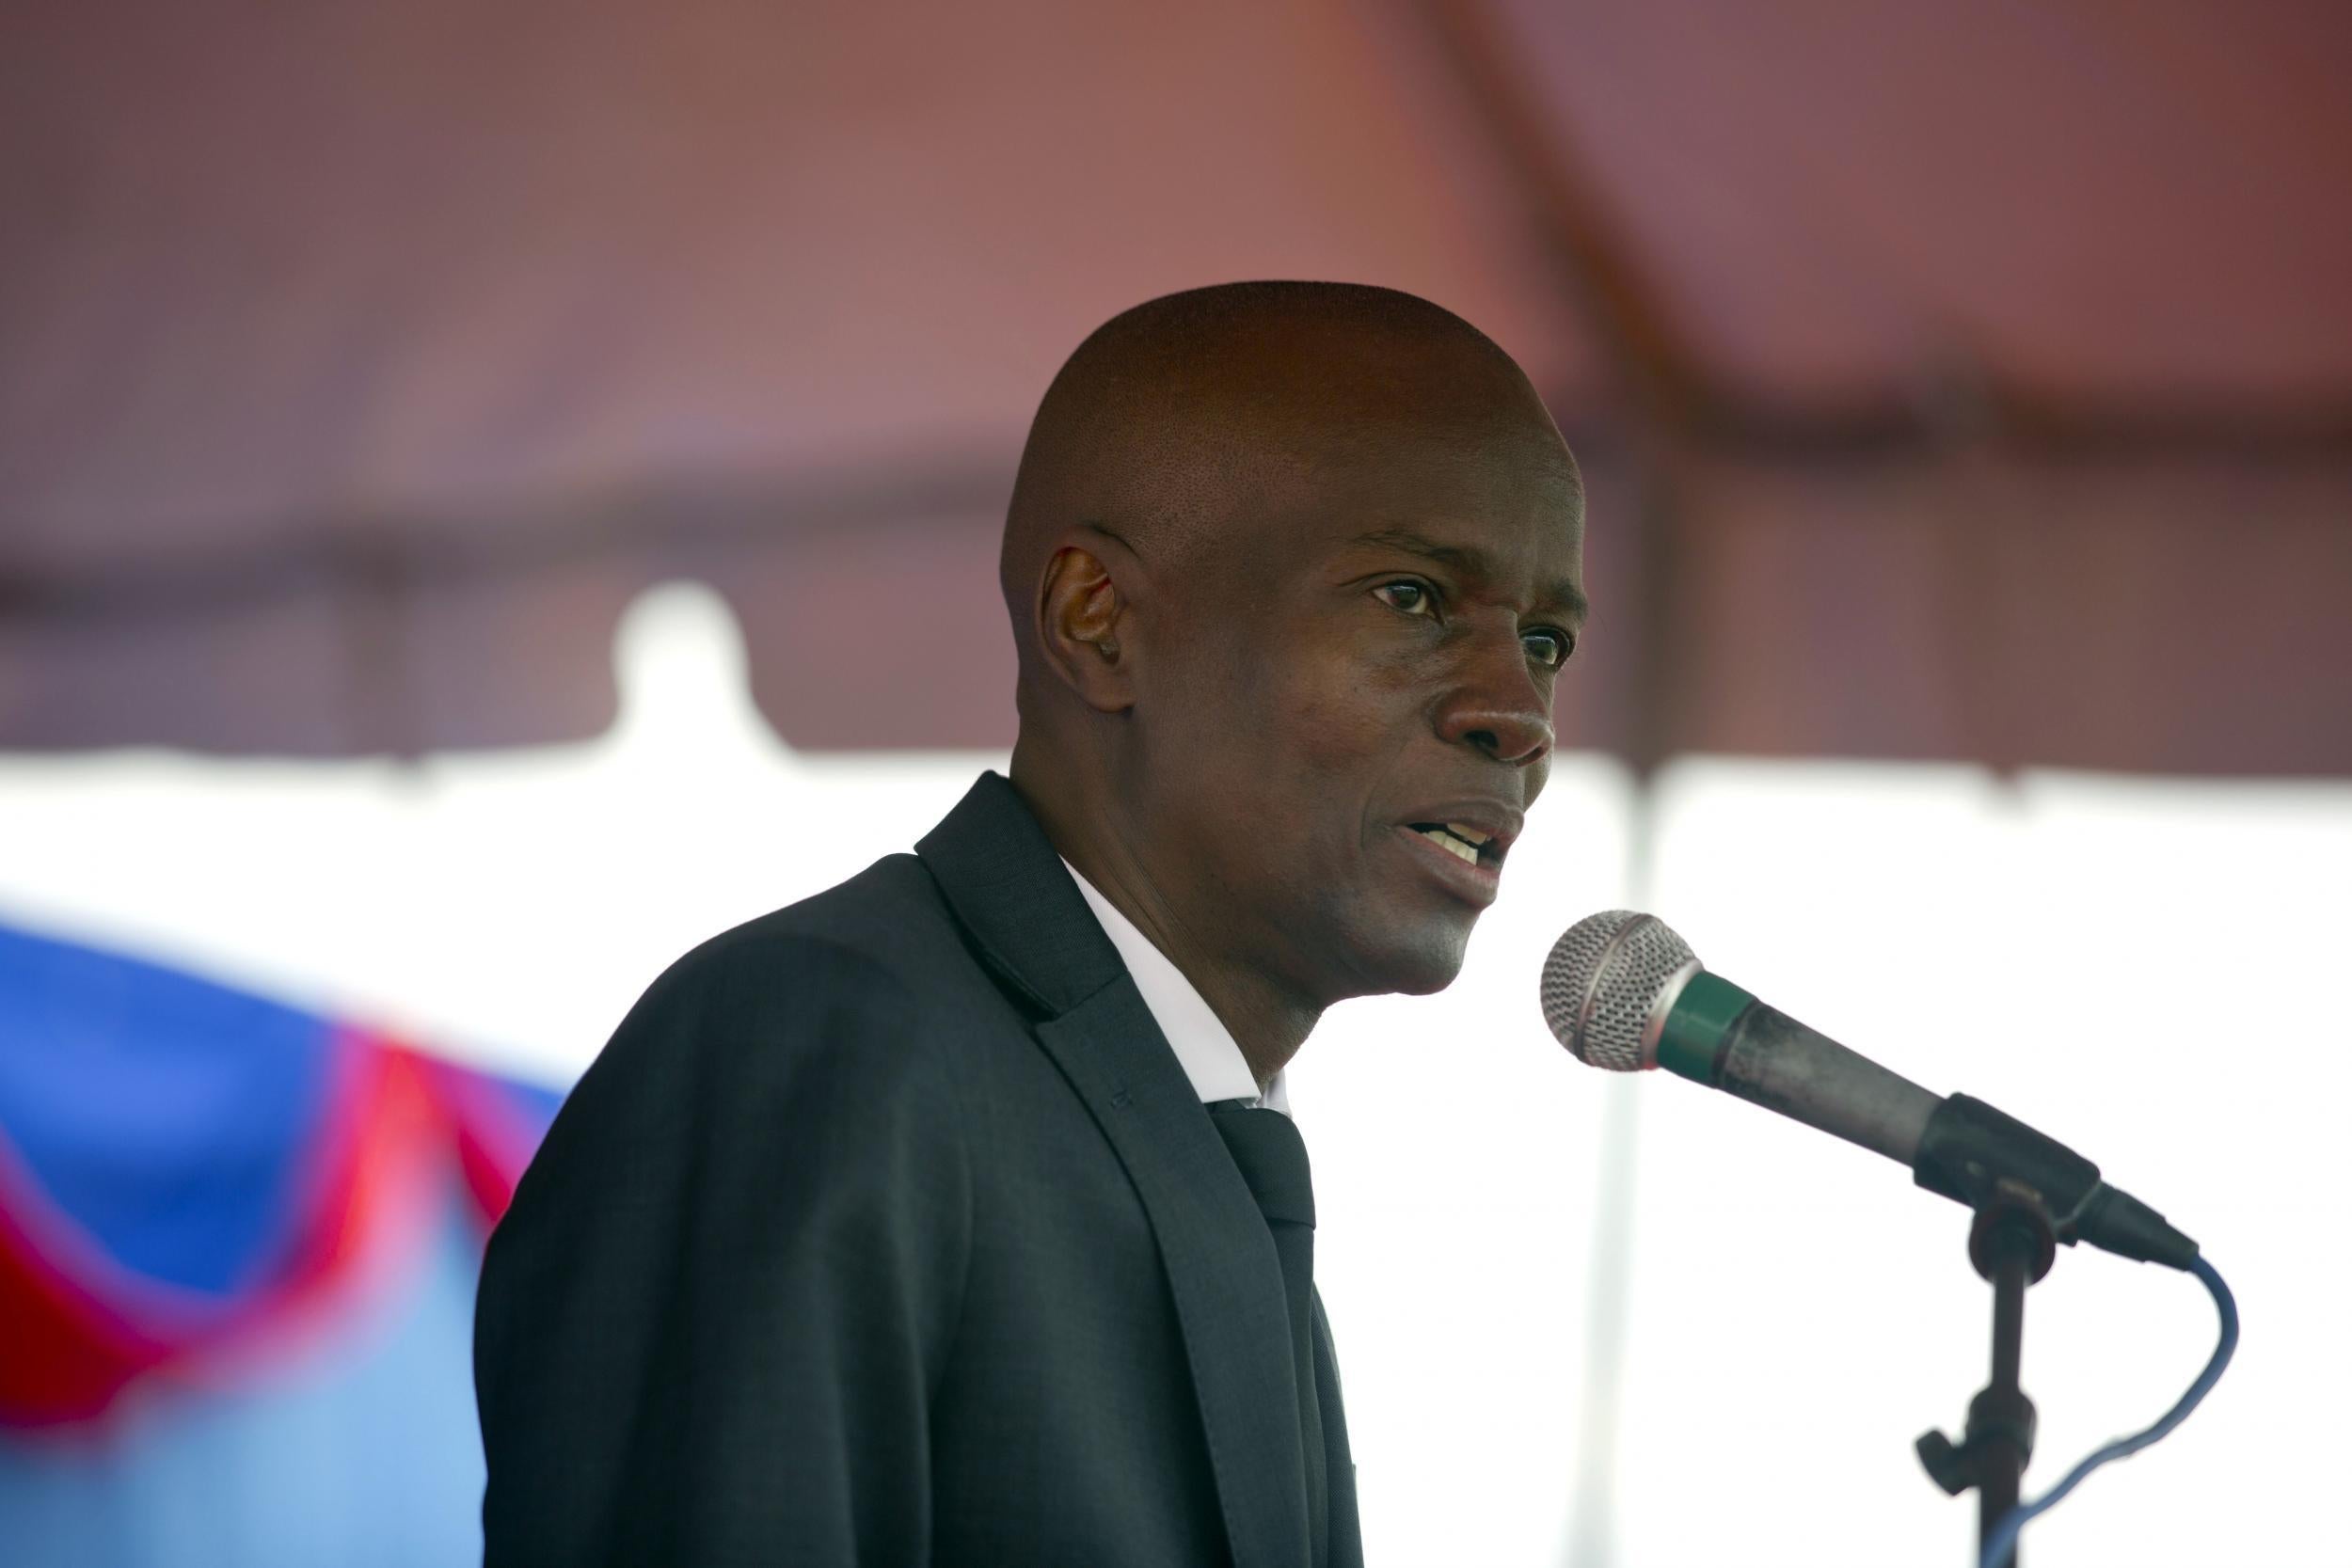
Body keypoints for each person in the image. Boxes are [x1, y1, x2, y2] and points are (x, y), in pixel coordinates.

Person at [474, 280, 1588, 1567]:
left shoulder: (1191, 1136)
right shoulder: (821, 1046)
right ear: (1096, 623)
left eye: (1549, 640)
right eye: (1412, 599)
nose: (1522, 713)